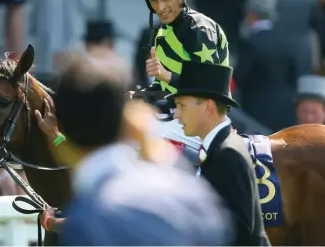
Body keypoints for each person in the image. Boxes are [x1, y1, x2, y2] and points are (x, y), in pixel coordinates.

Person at [34, 53, 234, 245]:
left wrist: (54, 137)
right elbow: (216, 224)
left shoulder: (87, 220)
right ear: (127, 120)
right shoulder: (183, 191)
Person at [169, 61, 270, 246]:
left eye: (182, 105)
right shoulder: (222, 147)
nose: (176, 114)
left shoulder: (227, 154)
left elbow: (237, 234)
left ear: (208, 107)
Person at [136, 0, 231, 111]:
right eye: (153, 0)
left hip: (204, 122)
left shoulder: (200, 29)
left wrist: (167, 76)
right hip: (178, 116)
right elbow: (166, 90)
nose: (160, 8)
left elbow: (209, 87)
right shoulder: (163, 32)